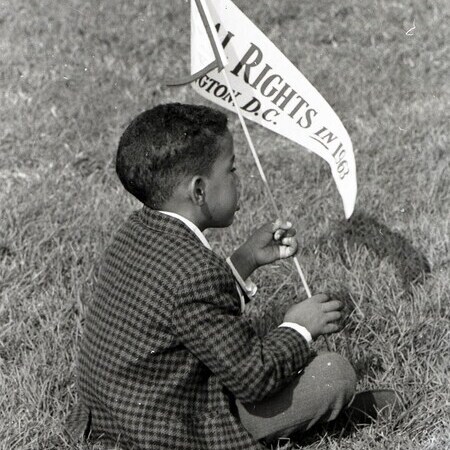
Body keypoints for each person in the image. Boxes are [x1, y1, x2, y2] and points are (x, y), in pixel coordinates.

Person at [66, 103, 399, 449]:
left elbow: (185, 313)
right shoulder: (194, 275)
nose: (239, 180)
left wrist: (244, 259)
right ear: (198, 191)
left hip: (113, 415)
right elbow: (255, 377)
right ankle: (319, 417)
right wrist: (298, 327)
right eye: (232, 169)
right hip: (169, 431)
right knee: (333, 374)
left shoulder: (135, 230)